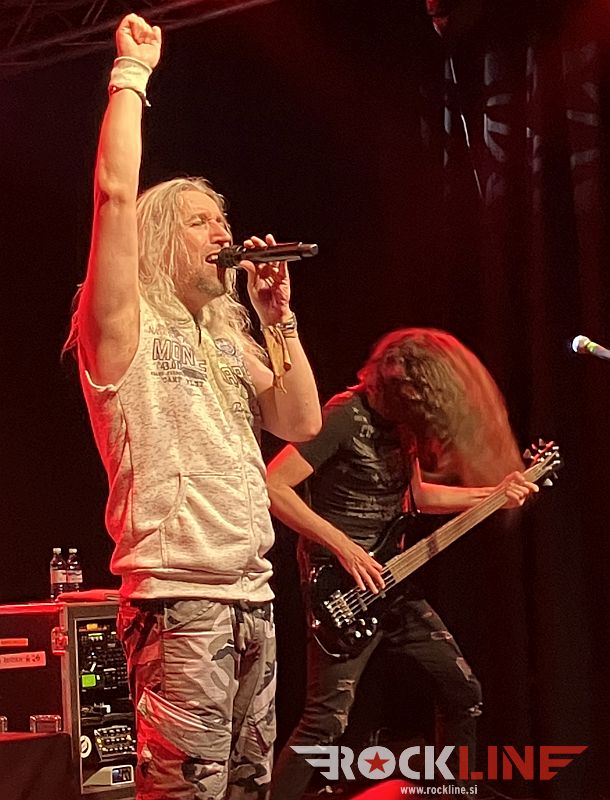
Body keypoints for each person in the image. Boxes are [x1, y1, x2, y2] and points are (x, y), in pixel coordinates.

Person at [64, 13, 321, 800]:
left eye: (225, 219)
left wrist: (278, 318)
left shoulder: (224, 336)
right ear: (159, 239)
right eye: (202, 220)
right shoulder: (124, 324)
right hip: (180, 601)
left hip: (252, 595)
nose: (224, 232)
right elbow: (114, 196)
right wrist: (131, 75)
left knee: (247, 788)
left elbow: (301, 423)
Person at [267, 328, 539, 799]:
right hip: (340, 590)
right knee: (325, 721)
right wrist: (345, 547)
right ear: (393, 387)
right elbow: (274, 484)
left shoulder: (403, 424)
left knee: (463, 692)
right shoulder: (343, 417)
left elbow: (418, 497)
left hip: (391, 581)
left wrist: (494, 495)